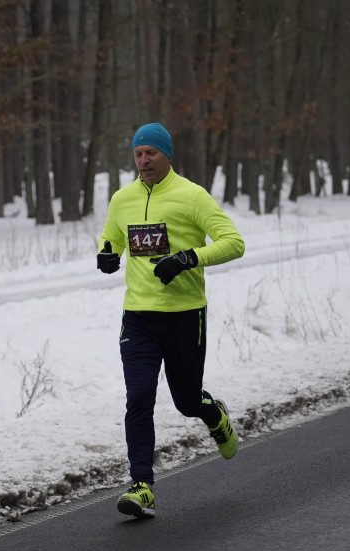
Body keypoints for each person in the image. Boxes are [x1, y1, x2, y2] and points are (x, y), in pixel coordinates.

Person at [96, 122, 246, 518]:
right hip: (139, 319)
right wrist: (106, 255)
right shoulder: (122, 199)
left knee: (186, 401)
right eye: (138, 153)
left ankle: (214, 414)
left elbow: (234, 243)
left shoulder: (191, 196)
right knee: (139, 398)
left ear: (167, 155)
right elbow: (112, 238)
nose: (143, 161)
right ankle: (141, 486)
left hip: (184, 317)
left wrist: (188, 258)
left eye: (151, 153)